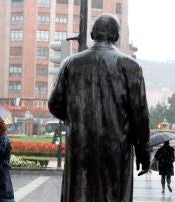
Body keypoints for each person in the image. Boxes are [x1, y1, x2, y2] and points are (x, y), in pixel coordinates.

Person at [48, 13, 150, 202]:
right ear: (117, 36)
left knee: (79, 193)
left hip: (80, 146)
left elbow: (54, 105)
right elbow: (140, 115)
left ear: (92, 34)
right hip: (116, 149)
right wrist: (143, 150)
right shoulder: (131, 66)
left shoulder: (70, 64)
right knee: (113, 195)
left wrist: (76, 118)